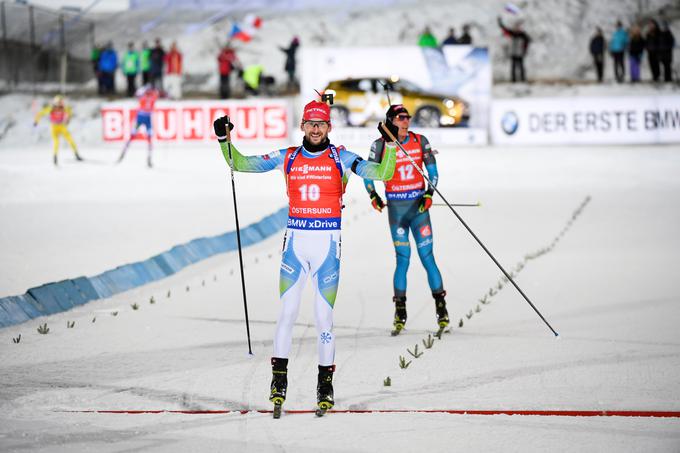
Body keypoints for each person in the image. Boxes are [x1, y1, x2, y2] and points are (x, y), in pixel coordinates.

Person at [212, 99, 397, 414]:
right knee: (287, 314)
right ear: (302, 126)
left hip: (327, 245)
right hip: (295, 244)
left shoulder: (341, 157)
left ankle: (325, 385)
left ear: (328, 127)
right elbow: (240, 164)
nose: (315, 128)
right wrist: (223, 140)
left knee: (324, 318)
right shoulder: (289, 157)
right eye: (310, 123)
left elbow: (382, 173)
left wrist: (391, 145)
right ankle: (278, 381)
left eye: (321, 123)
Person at [363, 104, 448, 334]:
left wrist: (429, 194)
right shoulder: (380, 145)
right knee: (403, 260)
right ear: (391, 120)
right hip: (397, 212)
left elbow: (434, 173)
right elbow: (368, 174)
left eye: (407, 117)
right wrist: (373, 195)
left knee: (427, 258)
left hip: (419, 209)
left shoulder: (420, 141)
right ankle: (400, 312)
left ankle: (442, 309)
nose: (405, 121)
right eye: (400, 118)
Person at [117, 85, 160, 168]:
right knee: (132, 136)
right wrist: (145, 88)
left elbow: (157, 93)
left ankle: (149, 158)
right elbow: (137, 93)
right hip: (140, 118)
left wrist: (152, 89)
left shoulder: (152, 96)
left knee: (149, 138)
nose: (148, 93)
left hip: (147, 119)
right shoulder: (143, 96)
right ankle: (123, 153)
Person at [34, 95, 83, 166]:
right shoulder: (51, 109)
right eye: (59, 103)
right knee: (56, 142)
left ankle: (76, 155)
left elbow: (69, 112)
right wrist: (36, 121)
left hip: (62, 126)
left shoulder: (63, 108)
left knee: (71, 140)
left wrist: (68, 119)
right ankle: (55, 157)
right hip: (54, 127)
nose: (60, 104)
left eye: (61, 102)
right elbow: (40, 113)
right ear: (55, 103)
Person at [497, 16, 531, 82]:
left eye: (518, 27)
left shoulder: (523, 35)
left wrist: (524, 50)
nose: (517, 29)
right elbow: (504, 29)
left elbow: (527, 41)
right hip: (514, 52)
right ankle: (514, 80)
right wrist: (500, 22)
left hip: (520, 53)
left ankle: (522, 79)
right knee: (513, 67)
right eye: (516, 27)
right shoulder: (512, 33)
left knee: (521, 67)